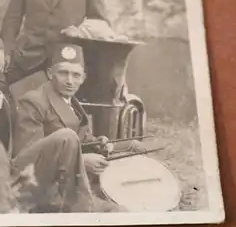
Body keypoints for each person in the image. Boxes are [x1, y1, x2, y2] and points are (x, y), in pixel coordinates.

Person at [12, 44, 145, 213]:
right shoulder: (33, 102)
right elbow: (30, 161)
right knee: (118, 212)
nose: (70, 81)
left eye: (76, 75)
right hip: (45, 191)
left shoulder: (71, 103)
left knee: (130, 197)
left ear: (83, 78)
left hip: (71, 184)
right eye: (63, 73)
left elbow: (83, 142)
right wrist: (82, 162)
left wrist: (111, 145)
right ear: (50, 73)